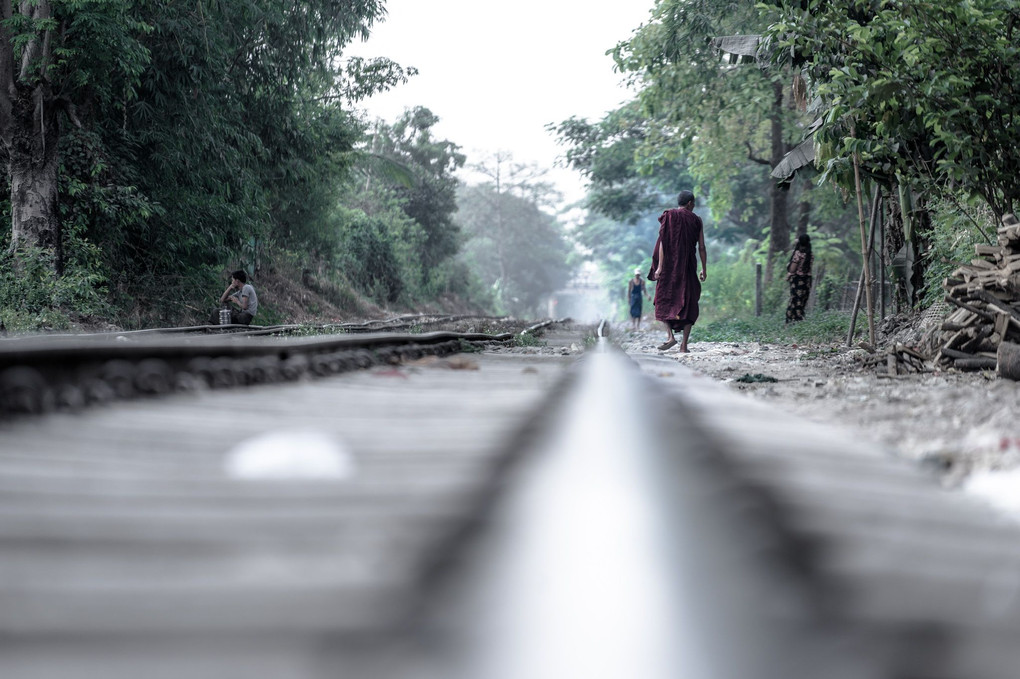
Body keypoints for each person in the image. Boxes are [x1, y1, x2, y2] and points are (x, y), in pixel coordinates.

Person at [649, 190, 707, 352]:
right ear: (689, 203)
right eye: (694, 203)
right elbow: (701, 247)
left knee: (663, 299)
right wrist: (704, 268)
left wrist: (660, 267)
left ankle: (670, 336)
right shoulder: (696, 220)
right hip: (688, 267)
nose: (694, 206)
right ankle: (683, 346)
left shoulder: (669, 216)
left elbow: (662, 243)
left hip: (668, 266)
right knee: (689, 301)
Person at [785, 234, 813, 323]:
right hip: (807, 280)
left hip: (798, 280)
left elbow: (792, 269)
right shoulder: (810, 254)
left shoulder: (798, 254)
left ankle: (791, 319)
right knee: (802, 300)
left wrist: (789, 273)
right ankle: (799, 318)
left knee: (795, 299)